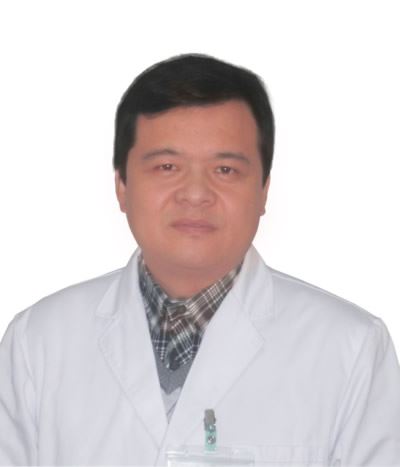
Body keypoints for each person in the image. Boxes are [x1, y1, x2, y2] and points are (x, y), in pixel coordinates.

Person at [0, 54, 399, 467]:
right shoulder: (38, 342)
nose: (195, 194)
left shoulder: (351, 349)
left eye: (224, 170)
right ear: (121, 185)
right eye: (167, 166)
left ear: (264, 190)